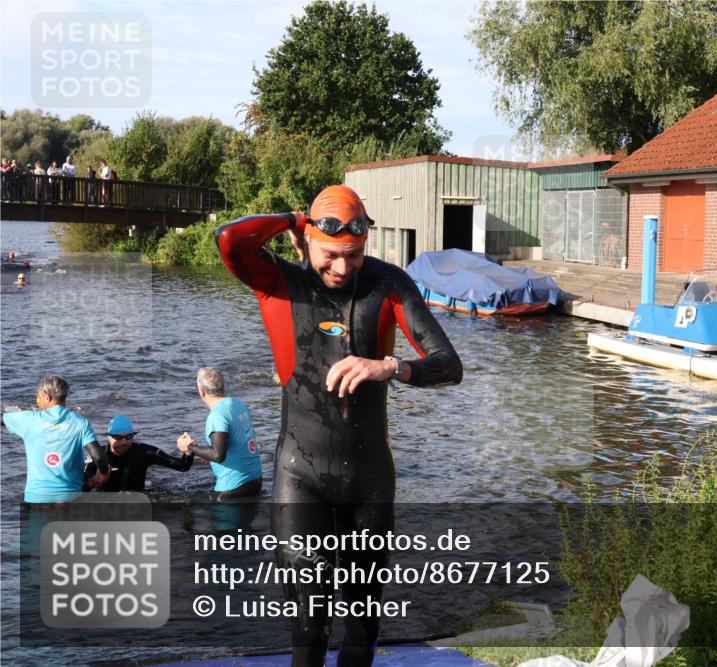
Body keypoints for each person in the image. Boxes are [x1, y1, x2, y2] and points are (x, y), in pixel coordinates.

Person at [215, 184, 463, 666]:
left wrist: (389, 367)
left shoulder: (387, 285)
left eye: (354, 255)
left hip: (369, 479)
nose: (343, 267)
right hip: (300, 476)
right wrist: (292, 218)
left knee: (363, 624)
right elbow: (230, 239)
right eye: (331, 254)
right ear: (308, 239)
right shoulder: (279, 282)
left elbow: (448, 365)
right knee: (309, 626)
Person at [1, 376, 108, 503]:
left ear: (47, 397)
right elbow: (98, 456)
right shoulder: (80, 422)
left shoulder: (29, 420)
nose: (37, 400)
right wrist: (103, 473)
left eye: (38, 395)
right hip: (69, 498)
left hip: (36, 498)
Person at [176, 367, 262, 500]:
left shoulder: (217, 415)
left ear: (201, 391)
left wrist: (189, 447)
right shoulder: (238, 403)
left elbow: (218, 455)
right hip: (255, 480)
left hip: (233, 487)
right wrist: (206, 453)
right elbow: (237, 439)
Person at [84, 415, 193, 493]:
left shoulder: (144, 452)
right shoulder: (98, 457)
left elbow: (182, 466)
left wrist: (188, 451)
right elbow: (79, 490)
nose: (124, 442)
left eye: (129, 437)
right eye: (118, 437)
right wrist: (94, 481)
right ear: (109, 437)